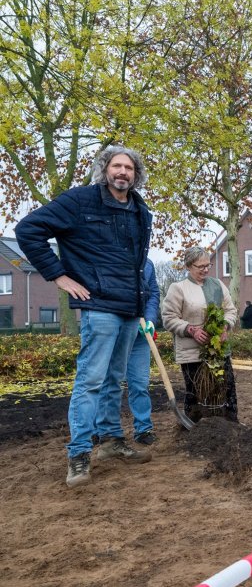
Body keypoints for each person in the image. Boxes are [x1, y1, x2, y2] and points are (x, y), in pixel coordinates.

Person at [15, 145, 154, 487]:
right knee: (90, 381)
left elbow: (136, 265)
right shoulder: (79, 201)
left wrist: (140, 308)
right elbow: (27, 231)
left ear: (136, 175)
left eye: (129, 168)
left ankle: (110, 442)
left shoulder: (140, 211)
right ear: (105, 168)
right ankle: (78, 454)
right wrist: (58, 276)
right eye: (117, 166)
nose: (123, 172)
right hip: (98, 306)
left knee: (114, 379)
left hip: (127, 308)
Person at [162, 248, 239, 423]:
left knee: (225, 388)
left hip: (219, 350)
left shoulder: (218, 285)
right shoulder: (179, 289)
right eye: (200, 266)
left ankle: (230, 424)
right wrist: (191, 330)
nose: (205, 270)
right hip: (192, 353)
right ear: (188, 266)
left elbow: (230, 310)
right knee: (196, 391)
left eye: (208, 265)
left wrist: (225, 327)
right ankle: (195, 429)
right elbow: (169, 318)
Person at [102, 259, 161, 445]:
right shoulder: (109, 258)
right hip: (116, 331)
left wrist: (150, 320)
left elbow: (153, 294)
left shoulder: (148, 264)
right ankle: (103, 430)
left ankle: (143, 428)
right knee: (110, 381)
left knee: (140, 383)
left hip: (140, 335)